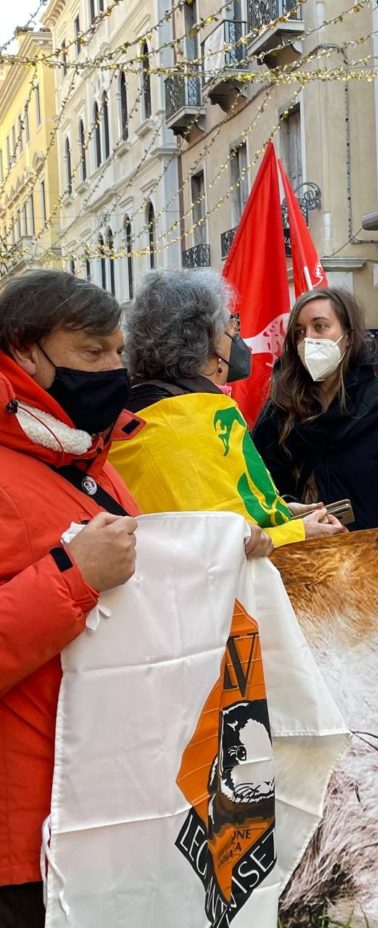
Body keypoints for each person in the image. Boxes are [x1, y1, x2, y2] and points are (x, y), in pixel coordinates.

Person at [0, 269, 139, 926]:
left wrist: (223, 546)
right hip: (21, 840)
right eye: (92, 353)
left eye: (118, 350)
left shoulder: (88, 456)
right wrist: (73, 575)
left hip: (100, 808)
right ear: (26, 350)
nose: (114, 369)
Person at [108, 269, 345, 547]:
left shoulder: (142, 408)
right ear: (210, 343)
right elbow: (217, 544)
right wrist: (300, 532)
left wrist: (281, 512)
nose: (237, 337)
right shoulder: (187, 421)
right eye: (232, 325)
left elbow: (228, 509)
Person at [252, 287, 378, 531]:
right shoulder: (279, 411)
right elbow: (258, 493)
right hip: (298, 559)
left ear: (349, 337)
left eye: (320, 326)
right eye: (299, 332)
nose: (308, 339)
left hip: (371, 560)